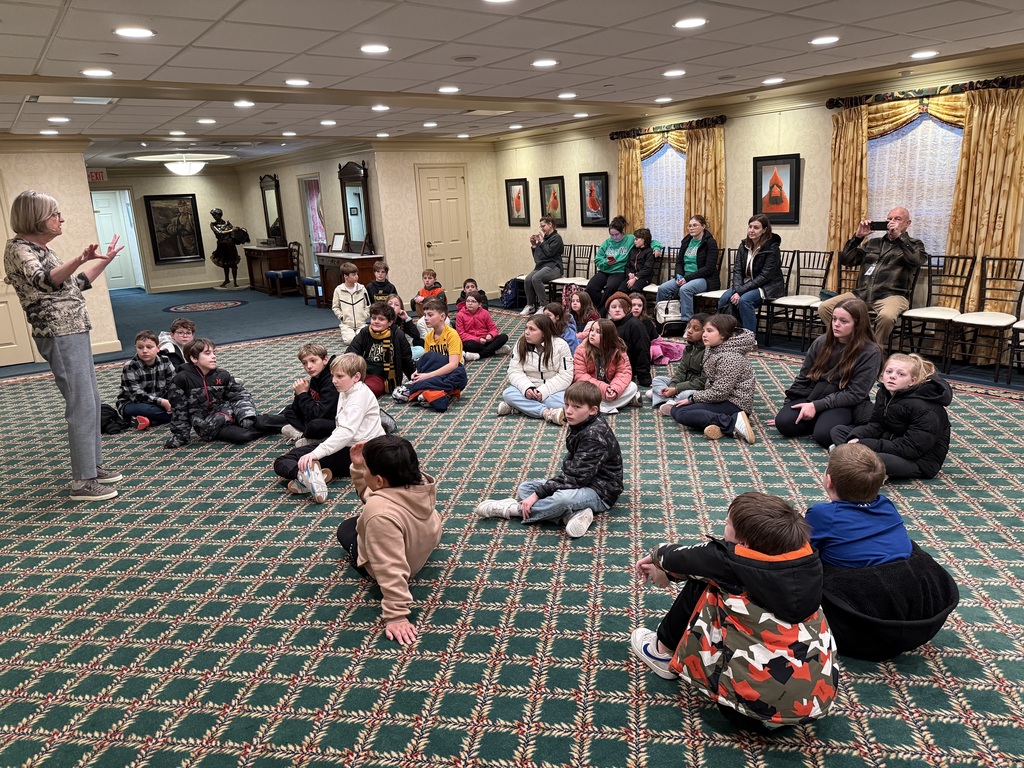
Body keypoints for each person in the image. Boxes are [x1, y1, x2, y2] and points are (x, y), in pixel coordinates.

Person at [631, 492, 838, 730]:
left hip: (746, 710)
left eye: (727, 523)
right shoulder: (807, 561)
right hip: (811, 704)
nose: (724, 526)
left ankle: (662, 649)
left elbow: (679, 556)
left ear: (745, 544)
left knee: (706, 581)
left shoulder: (727, 562)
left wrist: (658, 563)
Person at [4, 190, 125, 501]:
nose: (61, 219)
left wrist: (104, 261)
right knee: (80, 404)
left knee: (90, 399)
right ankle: (82, 482)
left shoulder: (43, 248)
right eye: (54, 214)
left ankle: (92, 466)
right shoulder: (18, 249)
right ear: (35, 217)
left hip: (74, 328)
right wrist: (79, 258)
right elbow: (46, 282)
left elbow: (77, 283)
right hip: (57, 332)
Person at [806, 444, 959, 661]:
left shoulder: (821, 514)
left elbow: (802, 552)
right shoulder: (887, 504)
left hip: (860, 621)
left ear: (829, 480)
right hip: (919, 617)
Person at [476, 381, 622, 539]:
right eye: (566, 405)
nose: (569, 411)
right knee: (526, 488)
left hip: (601, 492)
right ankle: (571, 515)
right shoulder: (582, 423)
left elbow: (576, 478)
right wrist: (539, 492)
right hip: (582, 481)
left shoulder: (594, 436)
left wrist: (538, 495)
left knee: (561, 499)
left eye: (576, 407)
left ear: (593, 410)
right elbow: (573, 473)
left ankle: (513, 510)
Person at [336, 436, 442, 645]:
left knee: (347, 528)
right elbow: (377, 493)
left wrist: (396, 616)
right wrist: (358, 466)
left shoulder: (379, 514)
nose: (363, 472)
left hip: (405, 564)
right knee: (370, 516)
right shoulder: (418, 480)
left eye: (367, 469)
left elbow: (389, 565)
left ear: (379, 480)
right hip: (423, 539)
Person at [772, 297, 883, 448]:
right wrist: (788, 406)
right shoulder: (822, 341)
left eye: (844, 321)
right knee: (784, 423)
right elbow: (804, 378)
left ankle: (845, 423)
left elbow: (856, 393)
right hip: (815, 394)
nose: (836, 324)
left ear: (857, 325)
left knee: (824, 436)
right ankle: (820, 419)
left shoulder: (870, 352)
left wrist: (816, 406)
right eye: (834, 319)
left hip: (844, 402)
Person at [273, 353, 384, 503]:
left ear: (356, 377)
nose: (334, 381)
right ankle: (311, 476)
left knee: (283, 461)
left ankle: (306, 477)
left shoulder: (356, 399)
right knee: (299, 457)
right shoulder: (351, 391)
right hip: (360, 450)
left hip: (355, 452)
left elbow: (345, 433)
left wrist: (316, 454)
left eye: (339, 376)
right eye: (333, 376)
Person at [831, 353, 952, 480]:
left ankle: (851, 457)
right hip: (891, 442)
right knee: (839, 431)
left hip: (919, 461)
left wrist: (864, 444)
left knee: (878, 459)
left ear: (912, 381)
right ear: (882, 375)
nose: (893, 377)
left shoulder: (926, 408)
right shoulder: (884, 393)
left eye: (901, 374)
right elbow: (876, 424)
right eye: (889, 372)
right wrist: (857, 437)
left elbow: (911, 448)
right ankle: (858, 460)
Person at [819, 207, 926, 347]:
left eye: (897, 219)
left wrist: (900, 237)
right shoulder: (872, 243)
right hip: (861, 294)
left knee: (887, 317)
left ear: (907, 223)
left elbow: (916, 261)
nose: (891, 222)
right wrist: (857, 238)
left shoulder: (914, 244)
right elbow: (847, 261)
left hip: (892, 295)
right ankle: (851, 344)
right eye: (889, 219)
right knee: (825, 307)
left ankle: (873, 350)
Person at [660, 313, 757, 443]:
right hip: (720, 399)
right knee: (677, 410)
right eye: (704, 331)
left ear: (723, 335)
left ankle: (732, 423)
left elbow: (720, 392)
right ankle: (721, 427)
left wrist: (693, 399)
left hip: (735, 405)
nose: (704, 334)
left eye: (709, 331)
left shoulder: (730, 357)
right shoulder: (713, 348)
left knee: (682, 413)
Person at [164, 338, 263, 449]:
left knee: (260, 421)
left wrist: (245, 414)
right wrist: (180, 437)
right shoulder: (181, 380)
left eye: (214, 353)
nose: (213, 356)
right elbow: (179, 411)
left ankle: (283, 421)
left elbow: (240, 395)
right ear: (194, 358)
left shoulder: (222, 375)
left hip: (232, 413)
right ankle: (270, 428)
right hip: (211, 426)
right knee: (240, 436)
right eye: (207, 353)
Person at [254, 342, 339, 445]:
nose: (309, 366)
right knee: (288, 411)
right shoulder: (316, 378)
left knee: (315, 425)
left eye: (313, 361)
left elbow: (319, 414)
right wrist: (299, 394)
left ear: (325, 360)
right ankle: (308, 435)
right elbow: (297, 409)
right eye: (304, 363)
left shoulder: (332, 380)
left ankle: (307, 436)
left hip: (337, 420)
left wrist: (303, 394)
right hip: (320, 415)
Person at [392, 298, 468, 412]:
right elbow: (427, 362)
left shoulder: (452, 335)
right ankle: (432, 391)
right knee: (398, 393)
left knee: (459, 374)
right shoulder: (428, 337)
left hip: (450, 372)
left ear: (442, 317)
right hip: (435, 374)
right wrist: (417, 373)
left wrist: (426, 376)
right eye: (425, 315)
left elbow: (453, 365)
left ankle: (425, 389)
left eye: (430, 315)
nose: (425, 318)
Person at [498, 314, 573, 425]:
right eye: (526, 328)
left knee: (570, 401)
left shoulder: (561, 345)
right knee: (508, 393)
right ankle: (546, 413)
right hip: (528, 389)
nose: (527, 332)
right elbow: (514, 371)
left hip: (553, 391)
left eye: (532, 329)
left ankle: (519, 408)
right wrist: (527, 388)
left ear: (544, 333)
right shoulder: (520, 344)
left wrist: (543, 391)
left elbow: (566, 376)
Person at [717, 214, 785, 332]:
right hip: (745, 284)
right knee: (724, 299)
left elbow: (765, 276)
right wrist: (738, 290)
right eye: (750, 227)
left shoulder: (772, 248)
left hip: (767, 286)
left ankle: (749, 338)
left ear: (764, 230)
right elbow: (737, 270)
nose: (751, 230)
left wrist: (740, 292)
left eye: (756, 227)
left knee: (745, 300)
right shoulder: (744, 245)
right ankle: (724, 333)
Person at [655, 215, 721, 325]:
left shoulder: (710, 243)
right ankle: (661, 321)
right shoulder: (686, 241)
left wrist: (687, 278)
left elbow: (709, 268)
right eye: (689, 226)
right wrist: (679, 276)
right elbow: (679, 262)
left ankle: (688, 324)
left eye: (695, 225)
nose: (691, 228)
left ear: (703, 226)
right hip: (685, 277)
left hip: (704, 279)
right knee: (663, 289)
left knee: (685, 290)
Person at [346, 301, 415, 397]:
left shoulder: (397, 335)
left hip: (381, 377)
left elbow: (406, 360)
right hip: (361, 372)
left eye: (381, 319)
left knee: (369, 389)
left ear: (390, 322)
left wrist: (414, 379)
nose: (376, 321)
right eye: (374, 318)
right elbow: (351, 353)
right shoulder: (365, 332)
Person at [572, 319, 638, 414]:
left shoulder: (618, 350)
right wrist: (603, 389)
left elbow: (624, 372)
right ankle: (609, 405)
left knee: (632, 387)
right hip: (591, 389)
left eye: (598, 332)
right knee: (576, 393)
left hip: (610, 386)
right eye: (592, 330)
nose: (592, 334)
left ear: (608, 336)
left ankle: (600, 407)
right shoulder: (581, 350)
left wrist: (614, 389)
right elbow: (580, 375)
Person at [115, 330, 176, 430]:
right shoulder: (130, 367)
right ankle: (174, 416)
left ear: (158, 348)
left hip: (161, 400)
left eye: (149, 347)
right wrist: (163, 403)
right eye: (140, 347)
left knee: (183, 402)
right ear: (136, 348)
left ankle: (146, 421)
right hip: (133, 403)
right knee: (148, 410)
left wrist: (173, 401)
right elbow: (137, 395)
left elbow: (174, 384)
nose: (144, 351)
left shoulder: (165, 361)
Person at [649, 314, 709, 408]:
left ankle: (663, 398)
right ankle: (668, 399)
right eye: (689, 327)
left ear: (706, 332)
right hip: (684, 383)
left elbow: (702, 382)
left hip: (697, 388)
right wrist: (672, 387)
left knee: (687, 395)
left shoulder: (708, 352)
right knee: (657, 379)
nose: (689, 331)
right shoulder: (689, 347)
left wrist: (677, 389)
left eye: (695, 329)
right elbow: (681, 369)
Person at [585, 216, 634, 312]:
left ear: (622, 231)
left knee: (610, 288)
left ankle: (601, 311)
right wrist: (606, 262)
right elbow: (598, 259)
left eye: (617, 234)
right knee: (591, 288)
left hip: (619, 271)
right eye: (612, 235)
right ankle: (606, 308)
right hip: (605, 270)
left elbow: (647, 240)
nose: (614, 237)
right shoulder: (607, 243)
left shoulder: (630, 239)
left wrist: (656, 247)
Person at [606, 293, 652, 388]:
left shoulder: (635, 325)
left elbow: (642, 351)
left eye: (621, 307)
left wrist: (644, 378)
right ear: (609, 311)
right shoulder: (608, 325)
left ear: (627, 309)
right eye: (614, 307)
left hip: (627, 369)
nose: (617, 310)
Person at [521, 216, 564, 316]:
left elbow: (549, 253)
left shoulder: (556, 238)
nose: (542, 229)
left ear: (550, 225)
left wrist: (542, 241)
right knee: (528, 279)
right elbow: (537, 258)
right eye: (540, 227)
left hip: (554, 267)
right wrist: (534, 245)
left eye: (543, 226)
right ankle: (530, 306)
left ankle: (544, 305)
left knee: (536, 278)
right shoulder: (543, 239)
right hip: (541, 266)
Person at [456, 292, 509, 358]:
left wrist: (490, 335)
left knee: (504, 337)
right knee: (469, 345)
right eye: (468, 301)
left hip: (486, 340)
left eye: (473, 301)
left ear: (479, 304)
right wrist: (478, 339)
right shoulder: (460, 315)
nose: (470, 303)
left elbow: (493, 328)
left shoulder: (485, 313)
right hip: (473, 341)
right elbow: (461, 334)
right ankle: (494, 351)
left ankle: (479, 355)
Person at [332, 261, 370, 345]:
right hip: (347, 324)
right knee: (350, 341)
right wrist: (342, 317)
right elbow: (335, 307)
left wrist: (365, 315)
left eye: (357, 274)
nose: (356, 277)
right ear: (346, 276)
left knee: (364, 340)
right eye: (353, 275)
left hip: (361, 323)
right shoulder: (338, 290)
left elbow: (367, 304)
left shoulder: (362, 289)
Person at [209, 208, 241, 288]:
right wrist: (231, 230)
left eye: (215, 215)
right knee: (225, 263)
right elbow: (219, 233)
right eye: (213, 215)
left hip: (230, 244)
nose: (214, 217)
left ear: (220, 214)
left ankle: (235, 281)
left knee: (233, 262)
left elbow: (233, 231)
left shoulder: (227, 223)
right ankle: (227, 279)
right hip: (222, 244)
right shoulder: (213, 224)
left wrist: (236, 229)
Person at [387, 293, 424, 360]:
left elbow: (416, 335)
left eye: (396, 305)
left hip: (402, 350)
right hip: (387, 350)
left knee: (420, 349)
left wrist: (407, 318)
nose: (393, 306)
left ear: (400, 308)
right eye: (390, 304)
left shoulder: (401, 320)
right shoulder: (382, 320)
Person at [622, 226, 656, 294]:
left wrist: (635, 278)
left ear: (643, 240)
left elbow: (647, 269)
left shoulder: (649, 251)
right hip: (632, 276)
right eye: (634, 239)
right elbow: (627, 265)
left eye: (636, 239)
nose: (634, 242)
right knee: (621, 289)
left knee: (634, 289)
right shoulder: (633, 250)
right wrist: (629, 273)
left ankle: (635, 304)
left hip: (644, 277)